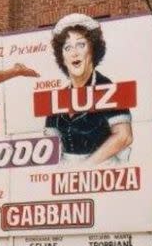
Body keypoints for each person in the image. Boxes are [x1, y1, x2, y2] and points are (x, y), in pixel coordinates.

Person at [43, 13, 133, 165]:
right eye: (67, 47)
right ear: (62, 57)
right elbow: (50, 144)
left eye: (81, 45)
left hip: (103, 172)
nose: (74, 53)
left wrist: (86, 168)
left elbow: (124, 136)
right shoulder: (58, 98)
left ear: (93, 50)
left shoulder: (107, 88)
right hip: (65, 178)